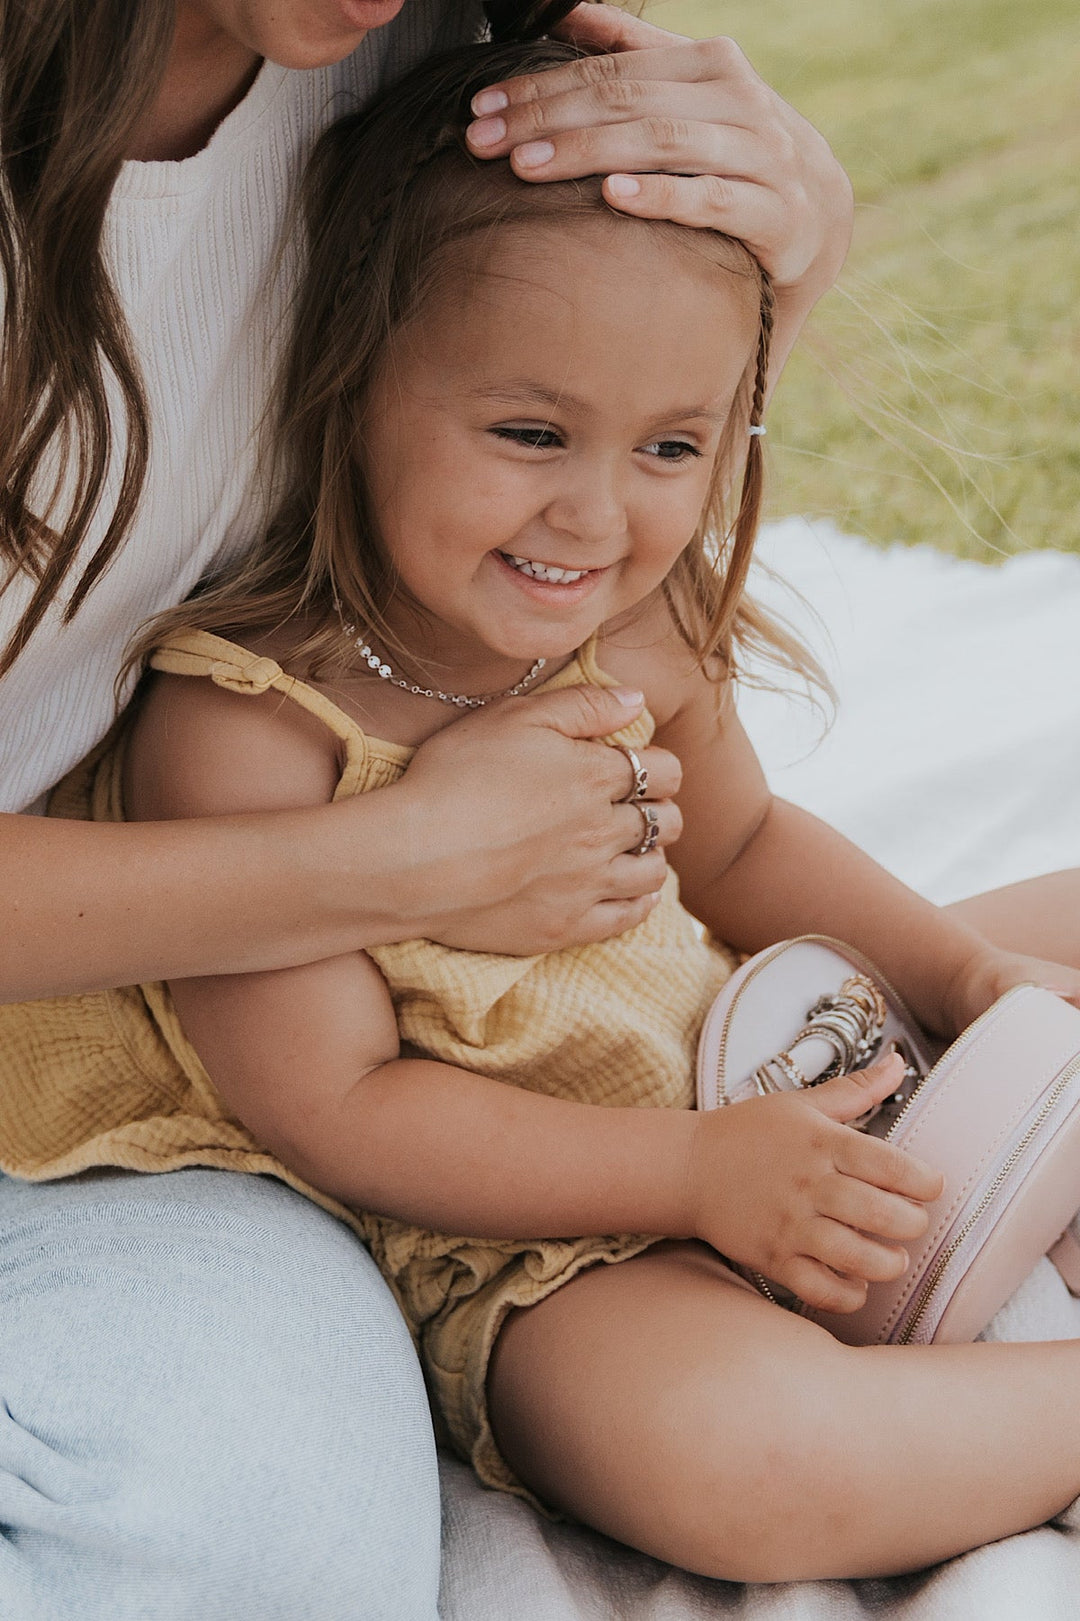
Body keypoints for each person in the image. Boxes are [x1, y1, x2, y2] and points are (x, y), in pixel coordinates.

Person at [16, 34, 1080, 1592]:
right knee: (741, 1459)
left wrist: (960, 976)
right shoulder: (251, 728)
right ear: (349, 387)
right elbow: (345, 1108)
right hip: (540, 1236)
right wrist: (699, 1177)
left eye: (671, 448)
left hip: (748, 1051)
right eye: (530, 435)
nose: (595, 514)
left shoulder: (633, 623)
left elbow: (743, 848)